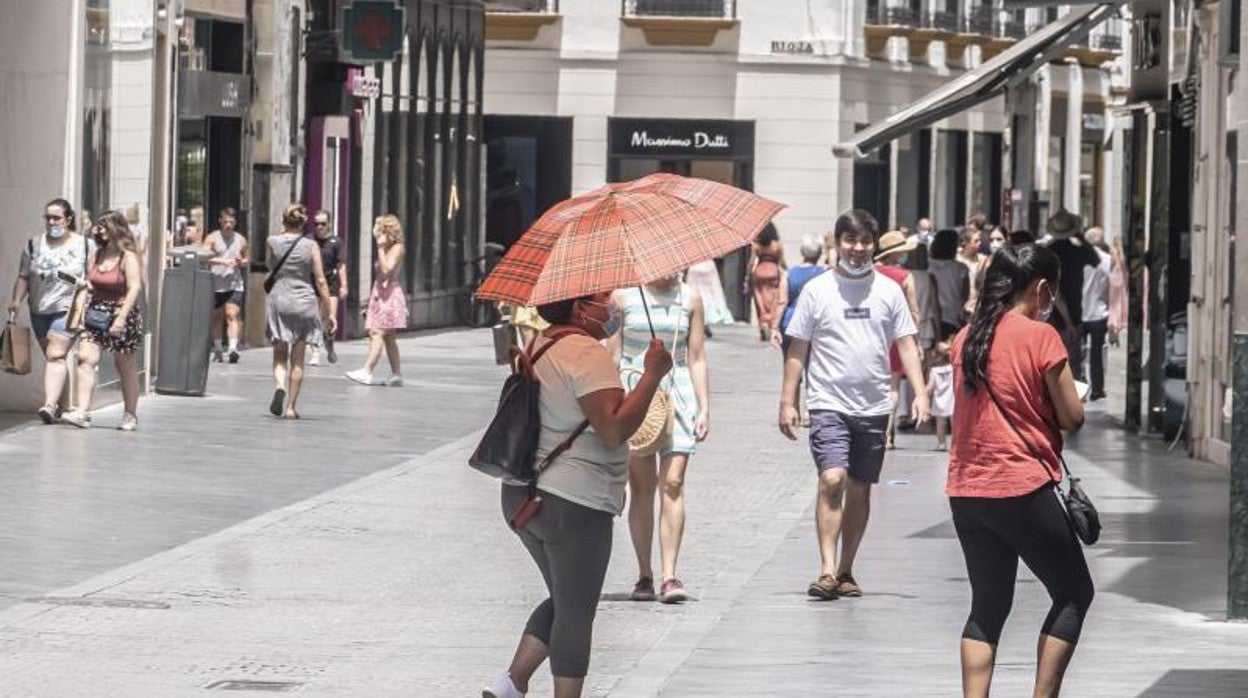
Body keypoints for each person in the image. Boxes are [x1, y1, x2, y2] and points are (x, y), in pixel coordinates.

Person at [486, 293, 673, 698]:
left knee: (568, 595)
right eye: (599, 298)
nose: (609, 306)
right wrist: (652, 375)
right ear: (578, 308)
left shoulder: (539, 343)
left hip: (523, 493)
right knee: (575, 609)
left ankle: (510, 684)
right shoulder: (585, 353)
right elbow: (613, 429)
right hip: (573, 502)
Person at [948, 243, 1093, 698]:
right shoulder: (1040, 337)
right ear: (1043, 289)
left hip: (967, 487)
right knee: (1073, 593)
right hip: (1020, 484)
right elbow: (1072, 417)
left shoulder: (966, 337)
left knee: (988, 608)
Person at [779, 209, 930, 600]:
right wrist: (788, 400)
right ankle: (826, 570)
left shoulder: (888, 291)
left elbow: (907, 346)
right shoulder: (817, 290)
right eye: (851, 241)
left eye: (864, 242)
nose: (858, 249)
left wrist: (921, 393)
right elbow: (798, 347)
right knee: (833, 478)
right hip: (827, 401)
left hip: (874, 404)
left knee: (861, 487)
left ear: (873, 245)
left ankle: (847, 568)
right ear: (837, 242)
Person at [612, 275, 710, 605]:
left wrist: (704, 406)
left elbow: (696, 355)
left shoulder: (690, 297)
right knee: (642, 488)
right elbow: (614, 352)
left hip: (679, 394)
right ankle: (645, 573)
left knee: (673, 483)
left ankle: (670, 574)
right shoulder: (623, 297)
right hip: (637, 393)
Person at [8, 198, 93, 423]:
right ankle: (64, 407)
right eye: (48, 217)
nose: (51, 222)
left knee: (55, 355)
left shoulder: (84, 245)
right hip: (39, 309)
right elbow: (24, 276)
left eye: (56, 217)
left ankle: (48, 405)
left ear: (68, 219)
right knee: (55, 357)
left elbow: (93, 275)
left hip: (69, 307)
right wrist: (16, 300)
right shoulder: (33, 245)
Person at [61, 211, 143, 431]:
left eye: (104, 226)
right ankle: (83, 412)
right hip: (95, 312)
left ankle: (130, 414)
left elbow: (134, 287)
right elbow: (91, 281)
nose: (99, 230)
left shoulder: (128, 257)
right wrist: (86, 286)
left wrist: (121, 318)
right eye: (98, 226)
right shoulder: (96, 255)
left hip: (121, 313)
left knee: (124, 364)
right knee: (85, 358)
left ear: (116, 228)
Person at [266, 204, 335, 419]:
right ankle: (290, 407)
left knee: (279, 352)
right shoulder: (311, 245)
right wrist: (330, 312)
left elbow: (271, 267)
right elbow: (321, 280)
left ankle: (279, 385)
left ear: (283, 221)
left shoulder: (272, 241)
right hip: (304, 301)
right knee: (298, 357)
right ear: (303, 223)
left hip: (280, 299)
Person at [873, 231, 922, 450]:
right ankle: (888, 434)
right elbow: (914, 314)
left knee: (876, 384)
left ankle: (874, 429)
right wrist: (916, 342)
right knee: (892, 387)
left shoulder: (869, 273)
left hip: (873, 334)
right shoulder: (904, 276)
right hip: (897, 337)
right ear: (897, 253)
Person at [346, 215, 408, 386]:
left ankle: (367, 371)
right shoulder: (387, 248)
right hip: (380, 295)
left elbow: (387, 269)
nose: (376, 232)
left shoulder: (396, 248)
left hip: (389, 297)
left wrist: (380, 248)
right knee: (389, 338)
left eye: (379, 228)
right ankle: (396, 374)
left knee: (377, 333)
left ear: (388, 231)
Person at [1040, 210, 1101, 378]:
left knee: (1051, 360)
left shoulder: (1047, 252)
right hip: (1073, 311)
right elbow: (1096, 260)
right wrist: (1080, 237)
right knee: (1073, 361)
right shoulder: (1078, 251)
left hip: (1050, 314)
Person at [203, 207, 248, 364]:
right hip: (215, 284)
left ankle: (233, 349)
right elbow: (204, 257)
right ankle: (218, 349)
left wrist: (240, 262)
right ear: (220, 221)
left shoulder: (241, 239)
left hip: (234, 284)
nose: (228, 225)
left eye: (231, 222)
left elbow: (246, 258)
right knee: (217, 317)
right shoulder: (212, 238)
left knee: (232, 315)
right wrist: (222, 261)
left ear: (235, 222)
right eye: (226, 221)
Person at [309, 210, 347, 366]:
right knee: (314, 319)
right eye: (316, 224)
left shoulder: (336, 242)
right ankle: (315, 353)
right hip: (312, 284)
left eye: (323, 224)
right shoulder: (309, 241)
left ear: (329, 224)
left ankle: (329, 345)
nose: (319, 227)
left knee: (330, 320)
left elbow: (341, 266)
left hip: (330, 284)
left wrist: (344, 285)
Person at [778, 235, 827, 355]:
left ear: (802, 252)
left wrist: (774, 327)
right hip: (816, 321)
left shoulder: (788, 274)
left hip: (790, 321)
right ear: (820, 253)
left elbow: (782, 301)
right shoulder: (825, 274)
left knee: (790, 358)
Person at [1081, 227, 1112, 400]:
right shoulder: (1107, 260)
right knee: (1097, 353)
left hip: (1080, 312)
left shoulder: (1079, 259)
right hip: (1099, 312)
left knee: (1079, 354)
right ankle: (1097, 389)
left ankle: (1080, 391)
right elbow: (1112, 285)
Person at [929, 229, 970, 340]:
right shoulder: (961, 268)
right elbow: (965, 296)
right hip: (953, 317)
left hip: (930, 318)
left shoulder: (928, 265)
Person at [749, 223, 784, 342]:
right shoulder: (777, 245)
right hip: (773, 271)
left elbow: (751, 262)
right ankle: (771, 323)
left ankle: (763, 323)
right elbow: (782, 262)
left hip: (760, 271)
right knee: (773, 298)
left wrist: (747, 275)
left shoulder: (757, 246)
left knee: (760, 300)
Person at [683, 259, 735, 337]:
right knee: (709, 295)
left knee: (695, 293)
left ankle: (701, 324)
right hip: (708, 266)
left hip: (694, 266)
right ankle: (704, 324)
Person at [926, 340, 954, 450]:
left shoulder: (934, 370)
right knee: (955, 424)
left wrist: (924, 396)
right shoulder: (953, 367)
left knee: (940, 424)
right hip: (952, 399)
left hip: (939, 400)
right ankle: (955, 444)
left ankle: (941, 443)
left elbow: (930, 386)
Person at [958, 226, 987, 316]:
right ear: (965, 243)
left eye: (980, 240)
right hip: (959, 309)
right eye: (976, 241)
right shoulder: (956, 261)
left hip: (977, 308)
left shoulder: (983, 260)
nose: (980, 243)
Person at [1107, 232, 1127, 347]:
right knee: (1120, 303)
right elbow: (1124, 267)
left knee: (1113, 303)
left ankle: (1112, 322)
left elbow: (1110, 264)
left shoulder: (1112, 252)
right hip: (1121, 277)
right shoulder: (1121, 253)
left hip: (1113, 276)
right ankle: (1116, 324)